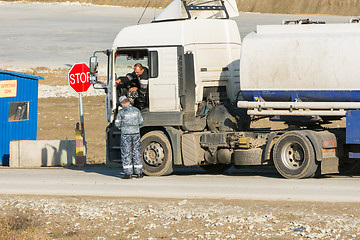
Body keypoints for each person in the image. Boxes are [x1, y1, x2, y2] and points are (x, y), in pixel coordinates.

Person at [115, 95, 144, 179]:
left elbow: (117, 124)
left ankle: (128, 173)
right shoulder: (136, 110)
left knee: (126, 153)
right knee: (137, 152)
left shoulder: (121, 112)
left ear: (121, 103)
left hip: (126, 135)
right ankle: (139, 173)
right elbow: (141, 122)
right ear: (128, 101)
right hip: (135, 134)